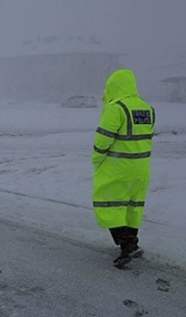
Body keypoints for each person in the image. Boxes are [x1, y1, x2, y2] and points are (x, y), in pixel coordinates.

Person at [92, 69, 155, 268]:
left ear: (114, 86)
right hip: (141, 168)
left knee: (107, 204)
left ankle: (127, 244)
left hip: (118, 167)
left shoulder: (115, 108)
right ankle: (132, 241)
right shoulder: (147, 108)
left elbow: (103, 138)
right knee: (132, 206)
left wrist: (97, 159)